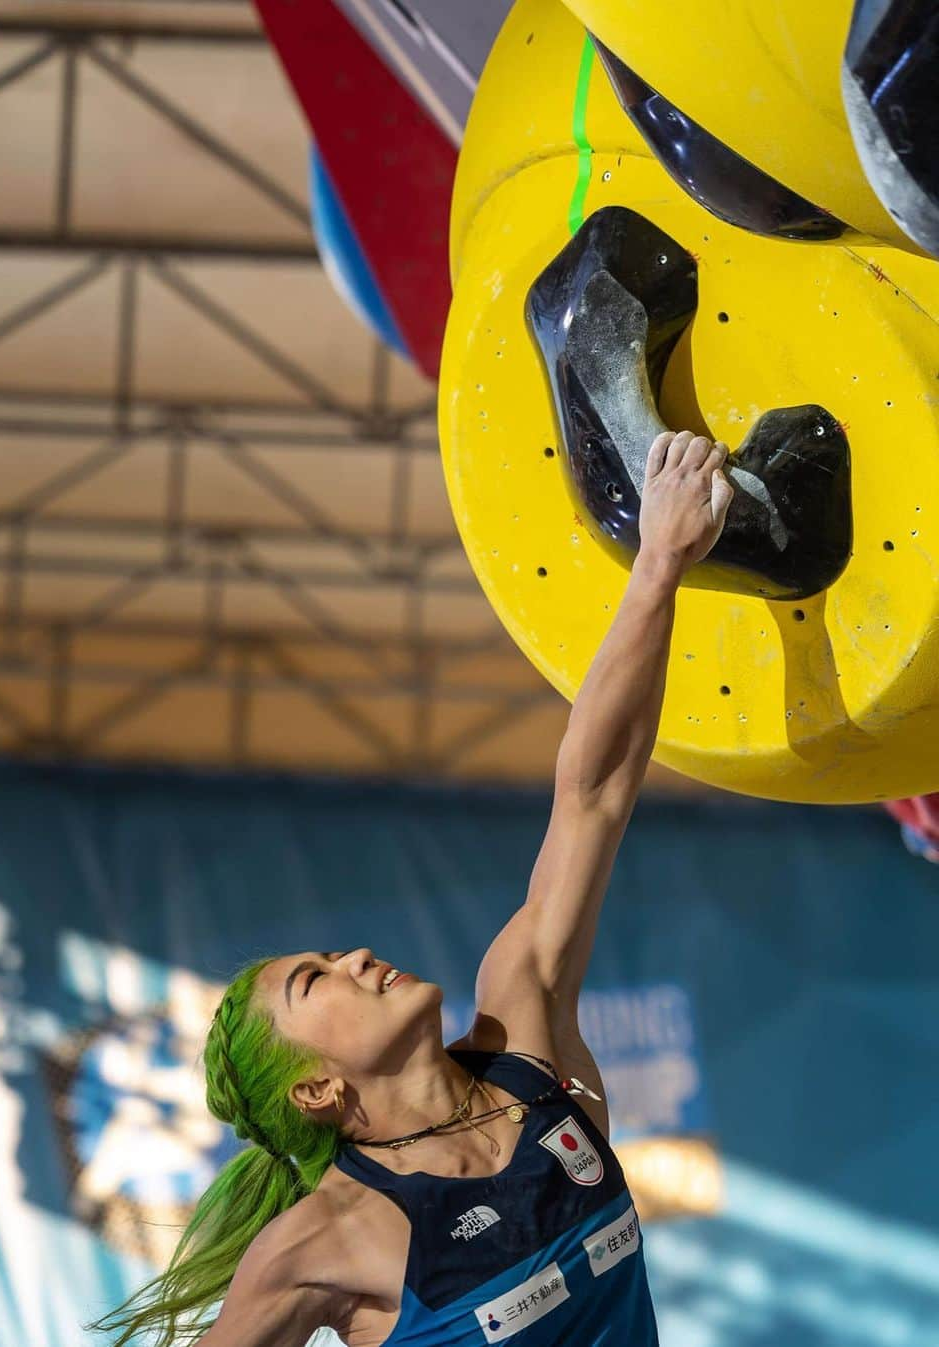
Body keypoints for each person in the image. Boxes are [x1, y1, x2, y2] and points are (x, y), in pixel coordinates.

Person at [94, 429, 733, 1346]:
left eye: (328, 956)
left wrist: (662, 560)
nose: (353, 956)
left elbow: (591, 794)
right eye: (314, 980)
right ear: (314, 1091)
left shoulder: (528, 1029)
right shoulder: (320, 1243)